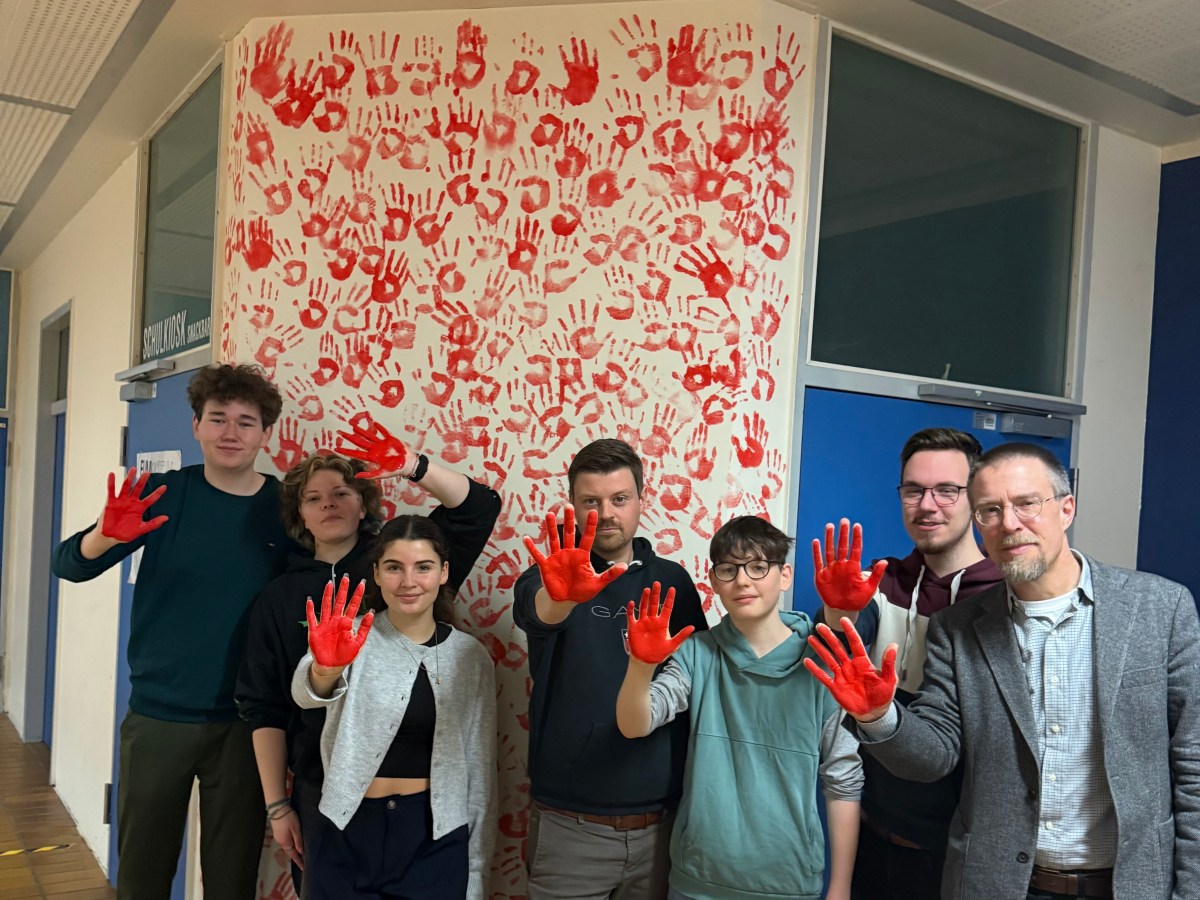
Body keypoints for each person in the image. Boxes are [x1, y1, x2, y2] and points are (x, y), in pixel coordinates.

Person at [807, 442, 1200, 900]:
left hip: (1129, 885)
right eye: (990, 510)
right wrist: (879, 717)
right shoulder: (958, 628)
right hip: (998, 883)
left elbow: (1192, 766)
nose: (1009, 523)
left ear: (1066, 508)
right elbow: (935, 753)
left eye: (1027, 503)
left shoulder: (1159, 609)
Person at [53, 363, 291, 899]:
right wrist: (102, 537)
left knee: (231, 879)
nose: (231, 432)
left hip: (246, 725)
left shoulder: (286, 509)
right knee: (142, 873)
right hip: (159, 717)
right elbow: (69, 565)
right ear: (196, 426)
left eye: (246, 422)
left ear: (265, 434)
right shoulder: (161, 495)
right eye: (218, 418)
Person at [236, 423, 500, 885]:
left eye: (341, 493)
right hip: (326, 793)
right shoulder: (279, 596)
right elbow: (268, 707)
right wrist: (278, 805)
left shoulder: (399, 562)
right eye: (313, 498)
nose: (328, 505)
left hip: (427, 811)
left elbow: (480, 507)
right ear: (299, 513)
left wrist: (412, 467)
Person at [615, 515, 864, 900]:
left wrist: (841, 887)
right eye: (728, 570)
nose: (743, 580)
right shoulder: (697, 653)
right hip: (698, 877)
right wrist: (641, 666)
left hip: (788, 881)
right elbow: (636, 724)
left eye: (758, 566)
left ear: (784, 575)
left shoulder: (821, 664)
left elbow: (844, 778)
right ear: (713, 581)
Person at [513, 438, 709, 900]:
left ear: (641, 499)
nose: (605, 513)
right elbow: (538, 614)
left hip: (662, 826)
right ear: (575, 507)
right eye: (591, 502)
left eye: (619, 499)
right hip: (569, 827)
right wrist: (560, 595)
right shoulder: (549, 577)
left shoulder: (673, 581)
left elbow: (699, 676)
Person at [292, 516, 497, 900]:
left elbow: (480, 770)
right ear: (377, 574)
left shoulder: (470, 657)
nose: (408, 581)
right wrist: (325, 668)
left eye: (423, 567)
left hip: (434, 836)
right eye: (393, 567)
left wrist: (477, 873)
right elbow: (306, 693)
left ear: (443, 573)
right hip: (345, 830)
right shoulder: (349, 636)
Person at [847, 428, 1003, 899]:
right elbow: (833, 655)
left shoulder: (1006, 596)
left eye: (947, 491)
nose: (927, 505)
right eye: (914, 490)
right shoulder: (879, 581)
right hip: (875, 832)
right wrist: (838, 612)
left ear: (975, 498)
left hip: (962, 852)